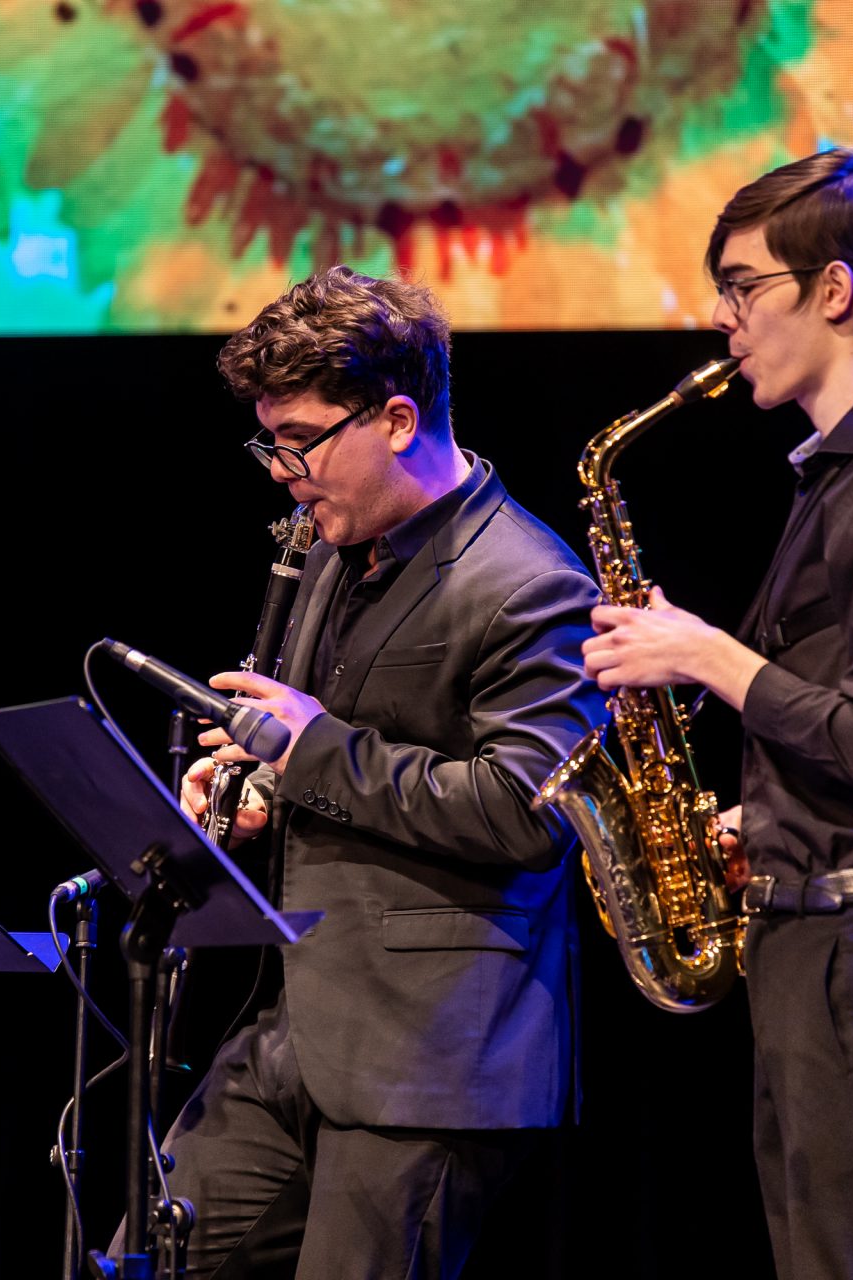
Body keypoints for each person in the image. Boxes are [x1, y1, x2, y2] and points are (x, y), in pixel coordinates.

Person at [582, 149, 853, 1279]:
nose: (723, 321)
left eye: (742, 286)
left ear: (834, 291)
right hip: (823, 939)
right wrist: (756, 822)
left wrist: (708, 655)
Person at [140, 266, 604, 1278]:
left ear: (398, 418)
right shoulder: (331, 548)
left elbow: (530, 814)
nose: (281, 468)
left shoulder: (532, 583)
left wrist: (310, 750)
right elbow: (321, 758)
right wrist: (260, 786)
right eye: (271, 440)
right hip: (295, 1027)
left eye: (300, 440)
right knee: (145, 1257)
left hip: (431, 1057)